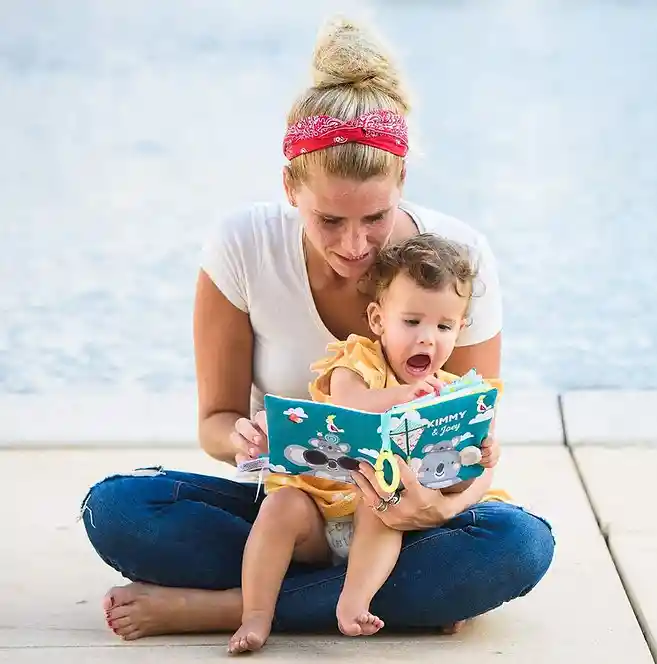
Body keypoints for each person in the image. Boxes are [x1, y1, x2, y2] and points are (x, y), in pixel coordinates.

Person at [80, 16, 555, 642]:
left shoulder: (458, 262)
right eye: (329, 220)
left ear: (402, 182)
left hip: (408, 526)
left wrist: (439, 507)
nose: (354, 246)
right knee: (119, 510)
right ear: (290, 188)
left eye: (375, 218)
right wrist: (244, 438)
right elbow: (215, 422)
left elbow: (473, 442)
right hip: (293, 510)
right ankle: (395, 600)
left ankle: (226, 607)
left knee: (519, 545)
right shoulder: (243, 244)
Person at [228, 233, 508, 654]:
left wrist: (482, 456)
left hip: (392, 529)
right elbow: (351, 403)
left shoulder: (455, 396)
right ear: (378, 320)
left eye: (444, 326)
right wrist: (402, 398)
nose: (427, 338)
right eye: (411, 322)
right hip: (320, 519)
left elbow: (461, 480)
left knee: (391, 503)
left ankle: (352, 603)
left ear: (460, 329)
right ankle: (255, 614)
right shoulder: (356, 362)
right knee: (278, 506)